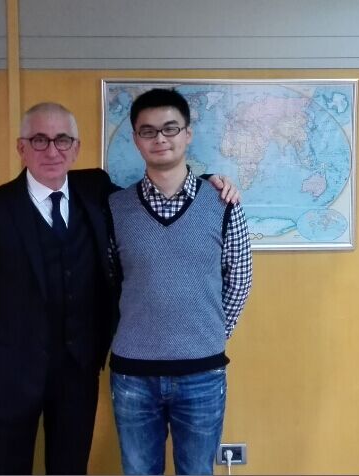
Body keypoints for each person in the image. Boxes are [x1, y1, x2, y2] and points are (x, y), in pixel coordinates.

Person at [0, 102, 239, 475]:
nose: (52, 151)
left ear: (76, 148)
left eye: (62, 140)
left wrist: (211, 180)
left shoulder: (97, 191)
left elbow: (161, 187)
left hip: (77, 373)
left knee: (71, 469)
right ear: (21, 147)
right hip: (9, 374)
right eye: (39, 140)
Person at [107, 89, 253, 475]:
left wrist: (210, 334)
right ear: (136, 139)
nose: (160, 138)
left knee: (197, 471)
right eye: (148, 131)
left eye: (170, 128)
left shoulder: (224, 203)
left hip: (202, 374)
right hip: (133, 375)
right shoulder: (115, 208)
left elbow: (239, 278)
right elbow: (108, 282)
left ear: (188, 134)